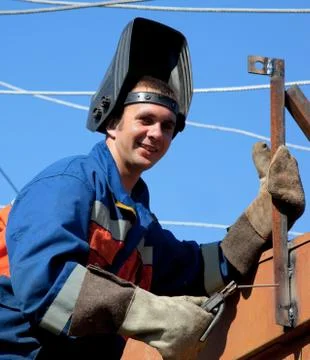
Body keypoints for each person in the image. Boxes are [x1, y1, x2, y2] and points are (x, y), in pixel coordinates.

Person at [0, 17, 305, 360]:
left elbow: (201, 270)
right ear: (112, 124)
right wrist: (154, 315)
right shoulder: (67, 184)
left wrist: (263, 217)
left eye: (167, 126)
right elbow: (47, 284)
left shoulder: (139, 225)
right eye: (145, 120)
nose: (157, 134)